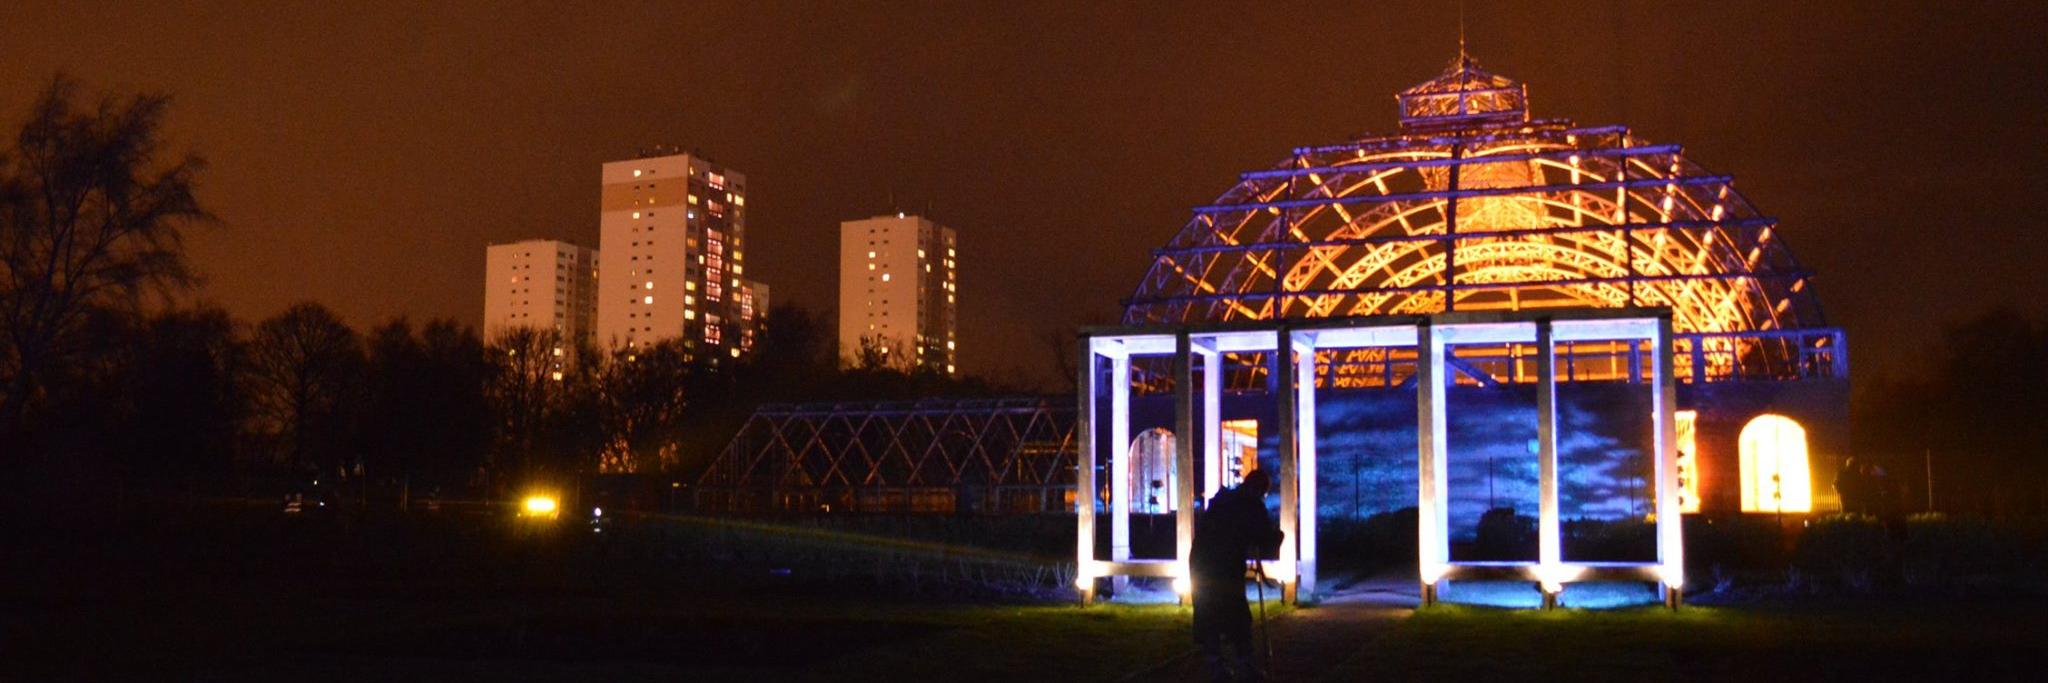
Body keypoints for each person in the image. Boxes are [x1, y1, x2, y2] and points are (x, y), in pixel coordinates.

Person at [1190, 468, 1285, 681]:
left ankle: (1216, 666)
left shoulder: (1222, 499)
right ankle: (1244, 665)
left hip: (1200, 562)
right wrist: (1277, 536)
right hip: (1224, 567)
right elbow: (1263, 537)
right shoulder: (1251, 504)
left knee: (1208, 613)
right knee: (1237, 614)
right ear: (1260, 490)